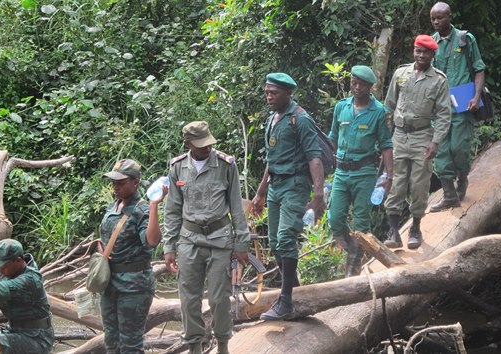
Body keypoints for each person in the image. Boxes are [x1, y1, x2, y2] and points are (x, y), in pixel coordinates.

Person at [163, 121, 250, 354]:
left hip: (220, 240)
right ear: (188, 144)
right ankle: (194, 347)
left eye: (208, 143)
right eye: (200, 145)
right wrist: (169, 247)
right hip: (189, 240)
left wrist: (242, 243)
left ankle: (223, 345)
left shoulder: (225, 164)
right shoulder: (177, 168)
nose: (206, 148)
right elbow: (172, 210)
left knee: (219, 299)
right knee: (189, 299)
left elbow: (237, 208)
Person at [251, 73, 326, 320]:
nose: (269, 97)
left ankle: (286, 301)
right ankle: (293, 289)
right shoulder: (273, 118)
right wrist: (260, 193)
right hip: (275, 186)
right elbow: (271, 161)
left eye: (274, 93)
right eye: (267, 92)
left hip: (295, 185)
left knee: (285, 238)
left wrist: (318, 195)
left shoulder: (300, 119)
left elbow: (314, 157)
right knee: (274, 243)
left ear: (288, 93)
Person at [383, 35, 452, 249]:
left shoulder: (439, 80)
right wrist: (385, 138)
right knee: (395, 183)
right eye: (418, 51)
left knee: (420, 185)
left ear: (433, 54)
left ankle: (416, 227)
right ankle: (393, 231)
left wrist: (436, 142)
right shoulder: (400, 73)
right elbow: (389, 105)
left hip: (422, 136)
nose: (421, 55)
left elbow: (444, 114)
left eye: (426, 52)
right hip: (399, 137)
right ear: (414, 51)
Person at [327, 65, 393, 276]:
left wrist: (388, 176)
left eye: (362, 84)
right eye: (354, 82)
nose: (357, 87)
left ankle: (352, 268)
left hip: (364, 173)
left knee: (362, 223)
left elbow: (385, 145)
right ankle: (356, 251)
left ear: (370, 87)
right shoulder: (341, 107)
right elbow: (333, 138)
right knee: (335, 219)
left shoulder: (379, 112)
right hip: (341, 172)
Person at [100, 158, 166, 353]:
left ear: (135, 182)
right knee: (111, 340)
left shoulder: (142, 209)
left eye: (121, 183)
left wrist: (154, 206)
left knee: (130, 344)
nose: (116, 187)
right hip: (109, 283)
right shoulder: (114, 205)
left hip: (134, 286)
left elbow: (152, 241)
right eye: (113, 183)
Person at [429, 1, 486, 211]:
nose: (436, 22)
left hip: (463, 103)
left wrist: (476, 95)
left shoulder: (465, 39)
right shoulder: (431, 44)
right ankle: (449, 195)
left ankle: (462, 178)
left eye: (440, 17)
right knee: (441, 150)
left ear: (450, 17)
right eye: (433, 18)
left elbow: (479, 69)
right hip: (440, 107)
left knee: (459, 147)